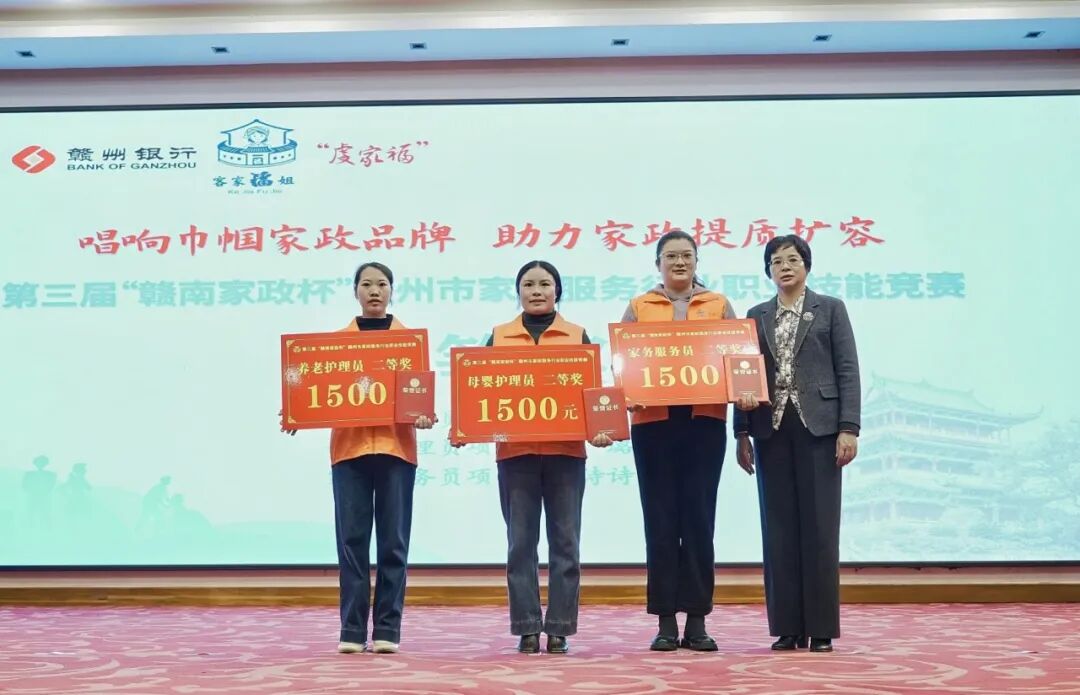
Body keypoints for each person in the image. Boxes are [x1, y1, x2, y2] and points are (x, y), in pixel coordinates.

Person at [282, 261, 434, 655]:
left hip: (396, 450)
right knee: (351, 543)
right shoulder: (335, 346)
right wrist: (297, 409)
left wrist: (424, 415)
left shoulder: (410, 345)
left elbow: (419, 396)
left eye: (382, 284)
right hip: (349, 452)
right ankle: (351, 630)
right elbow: (309, 390)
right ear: (355, 292)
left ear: (392, 291)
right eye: (366, 284)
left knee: (393, 544)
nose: (374, 291)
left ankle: (387, 629)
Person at [474, 260, 611, 654]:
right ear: (518, 292)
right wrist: (466, 427)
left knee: (565, 543)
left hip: (566, 454)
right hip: (515, 454)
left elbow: (593, 393)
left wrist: (600, 428)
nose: (536, 291)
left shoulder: (577, 335)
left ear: (557, 291)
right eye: (529, 284)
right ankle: (527, 627)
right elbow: (480, 391)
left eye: (544, 284)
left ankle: (560, 628)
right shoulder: (499, 336)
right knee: (520, 544)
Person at [732, 234, 861, 653]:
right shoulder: (756, 315)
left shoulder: (830, 309)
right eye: (776, 261)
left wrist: (849, 427)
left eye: (792, 260)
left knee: (820, 530)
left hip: (819, 429)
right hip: (770, 430)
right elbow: (742, 374)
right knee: (779, 531)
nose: (784, 267)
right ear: (767, 271)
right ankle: (787, 627)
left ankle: (821, 628)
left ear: (807, 265)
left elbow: (848, 370)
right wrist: (741, 431)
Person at [621, 230, 737, 652]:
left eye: (687, 255)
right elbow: (623, 363)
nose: (679, 262)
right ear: (658, 264)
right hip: (652, 425)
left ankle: (698, 620)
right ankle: (666, 621)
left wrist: (744, 393)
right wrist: (626, 392)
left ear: (696, 261)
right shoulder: (639, 306)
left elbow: (739, 360)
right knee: (660, 521)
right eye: (671, 256)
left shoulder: (719, 305)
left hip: (704, 422)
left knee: (700, 521)